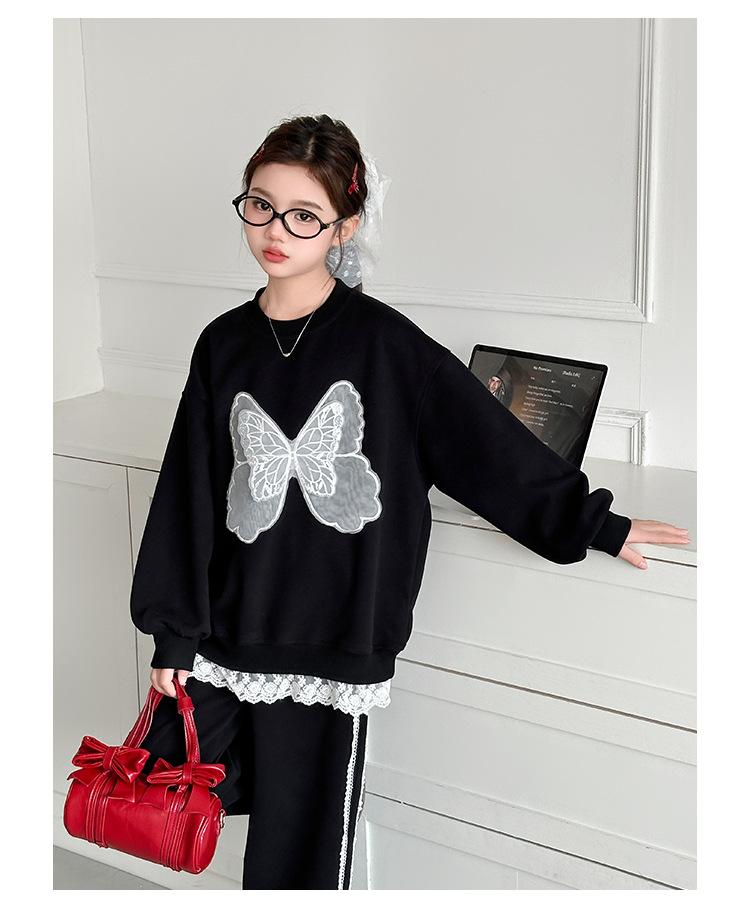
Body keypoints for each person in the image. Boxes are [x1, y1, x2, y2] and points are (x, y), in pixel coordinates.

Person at [129, 113, 690, 891]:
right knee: (186, 814)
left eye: (304, 215)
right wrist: (173, 632)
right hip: (227, 630)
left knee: (300, 860)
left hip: (332, 641)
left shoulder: (386, 345)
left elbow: (486, 446)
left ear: (344, 226)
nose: (276, 230)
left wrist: (595, 523)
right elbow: (188, 493)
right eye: (260, 205)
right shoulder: (222, 342)